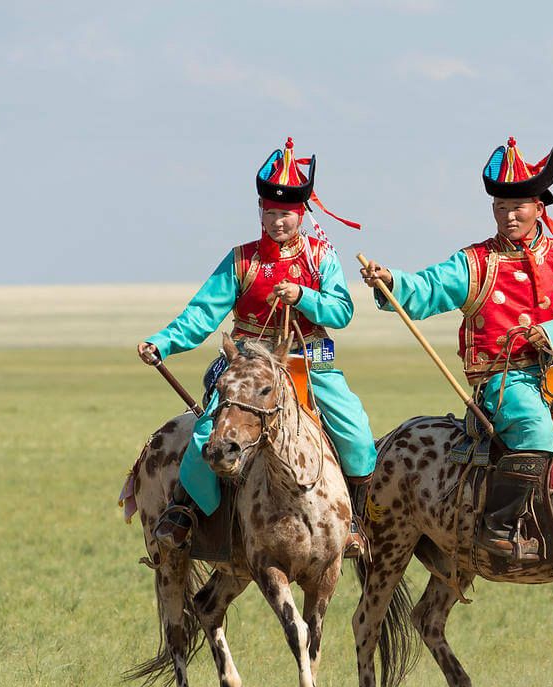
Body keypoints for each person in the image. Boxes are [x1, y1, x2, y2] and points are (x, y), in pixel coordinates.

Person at [361, 137, 553, 562]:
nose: (508, 216)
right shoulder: (474, 263)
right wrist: (393, 282)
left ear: (538, 208)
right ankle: (501, 526)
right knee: (533, 427)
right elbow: (428, 288)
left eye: (518, 207)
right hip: (505, 380)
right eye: (500, 207)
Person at [138, 138, 376, 558]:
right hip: (248, 373)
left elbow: (341, 311)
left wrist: (303, 296)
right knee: (204, 438)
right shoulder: (241, 261)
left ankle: (354, 521)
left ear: (300, 214)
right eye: (270, 212)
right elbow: (201, 314)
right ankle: (186, 512)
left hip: (309, 369)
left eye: (286, 213)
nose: (278, 221)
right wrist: (162, 342)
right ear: (260, 211)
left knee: (356, 435)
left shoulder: (321, 258)